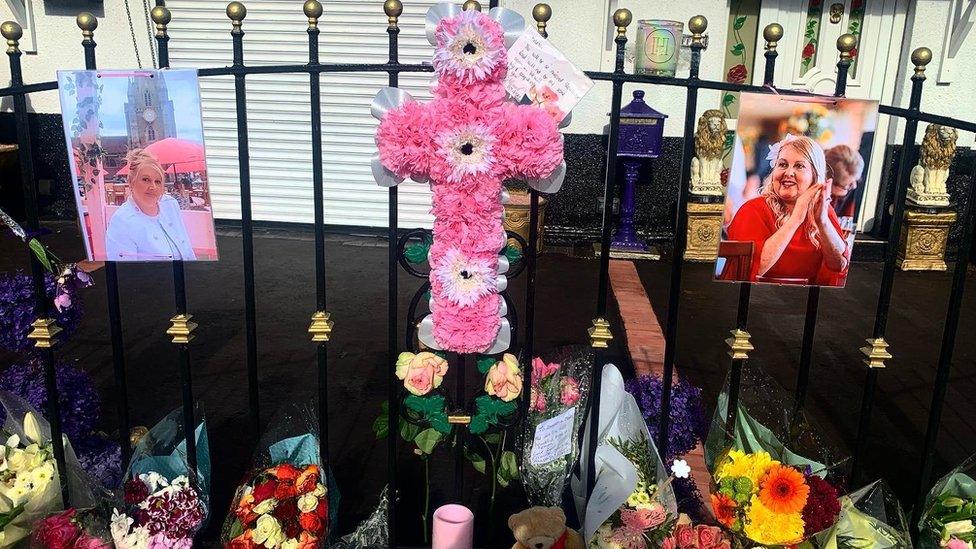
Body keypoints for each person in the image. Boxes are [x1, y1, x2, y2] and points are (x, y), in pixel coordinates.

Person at [720, 134, 849, 286]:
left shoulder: (825, 213)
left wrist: (823, 222)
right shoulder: (752, 210)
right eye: (782, 164)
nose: (788, 172)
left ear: (815, 176)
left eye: (799, 166)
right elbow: (752, 269)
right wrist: (796, 218)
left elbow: (839, 266)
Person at [105, 149, 196, 261]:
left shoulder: (170, 205)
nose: (153, 187)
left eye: (157, 181)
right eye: (146, 179)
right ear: (131, 181)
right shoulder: (122, 221)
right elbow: (125, 272)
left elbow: (186, 246)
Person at [824, 144, 864, 229]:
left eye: (856, 180)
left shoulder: (850, 189)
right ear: (828, 181)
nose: (854, 186)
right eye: (848, 185)